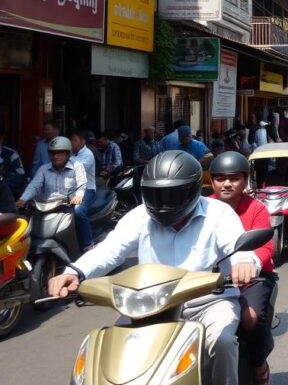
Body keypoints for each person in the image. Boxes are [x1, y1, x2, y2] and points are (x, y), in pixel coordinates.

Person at [47, 151, 260, 385]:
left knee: (223, 342)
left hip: (208, 302)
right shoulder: (139, 216)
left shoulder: (218, 213)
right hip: (150, 306)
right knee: (110, 353)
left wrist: (244, 263)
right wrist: (74, 272)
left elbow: (239, 247)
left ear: (192, 189)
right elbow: (109, 250)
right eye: (156, 194)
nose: (163, 202)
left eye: (172, 194)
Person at [210, 151, 275, 385]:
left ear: (245, 180)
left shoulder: (256, 209)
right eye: (220, 179)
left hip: (253, 280)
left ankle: (259, 365)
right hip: (211, 282)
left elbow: (266, 247)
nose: (226, 184)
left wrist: (249, 263)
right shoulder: (203, 208)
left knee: (249, 318)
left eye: (234, 178)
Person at [17, 137, 90, 248]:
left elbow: (82, 183)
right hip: (48, 207)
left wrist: (79, 196)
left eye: (59, 153)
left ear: (67, 154)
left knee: (78, 213)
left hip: (68, 205)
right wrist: (23, 199)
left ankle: (86, 244)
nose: (55, 156)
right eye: (52, 153)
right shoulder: (43, 169)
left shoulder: (77, 166)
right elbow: (34, 185)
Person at [69, 130, 98, 249]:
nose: (72, 143)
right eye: (71, 140)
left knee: (78, 211)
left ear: (83, 141)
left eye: (74, 140)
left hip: (87, 189)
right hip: (71, 190)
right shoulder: (71, 154)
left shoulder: (87, 154)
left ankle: (88, 242)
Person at [0, 130, 27, 207]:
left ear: (1, 139)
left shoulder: (11, 154)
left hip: (7, 195)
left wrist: (3, 183)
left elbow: (20, 175)